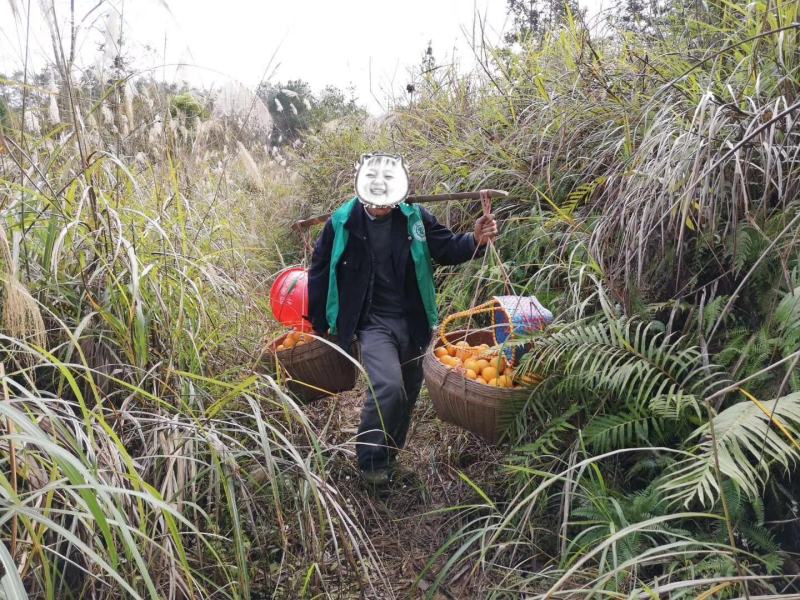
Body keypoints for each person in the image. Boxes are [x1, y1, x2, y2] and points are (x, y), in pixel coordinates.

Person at [307, 153, 498, 488]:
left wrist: (476, 240)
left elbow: (447, 247)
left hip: (413, 319)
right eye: (375, 200)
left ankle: (389, 457)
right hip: (372, 322)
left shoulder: (414, 217)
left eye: (388, 201)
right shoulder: (343, 222)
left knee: (408, 393)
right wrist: (320, 324)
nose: (381, 207)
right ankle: (369, 463)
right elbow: (320, 270)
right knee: (388, 387)